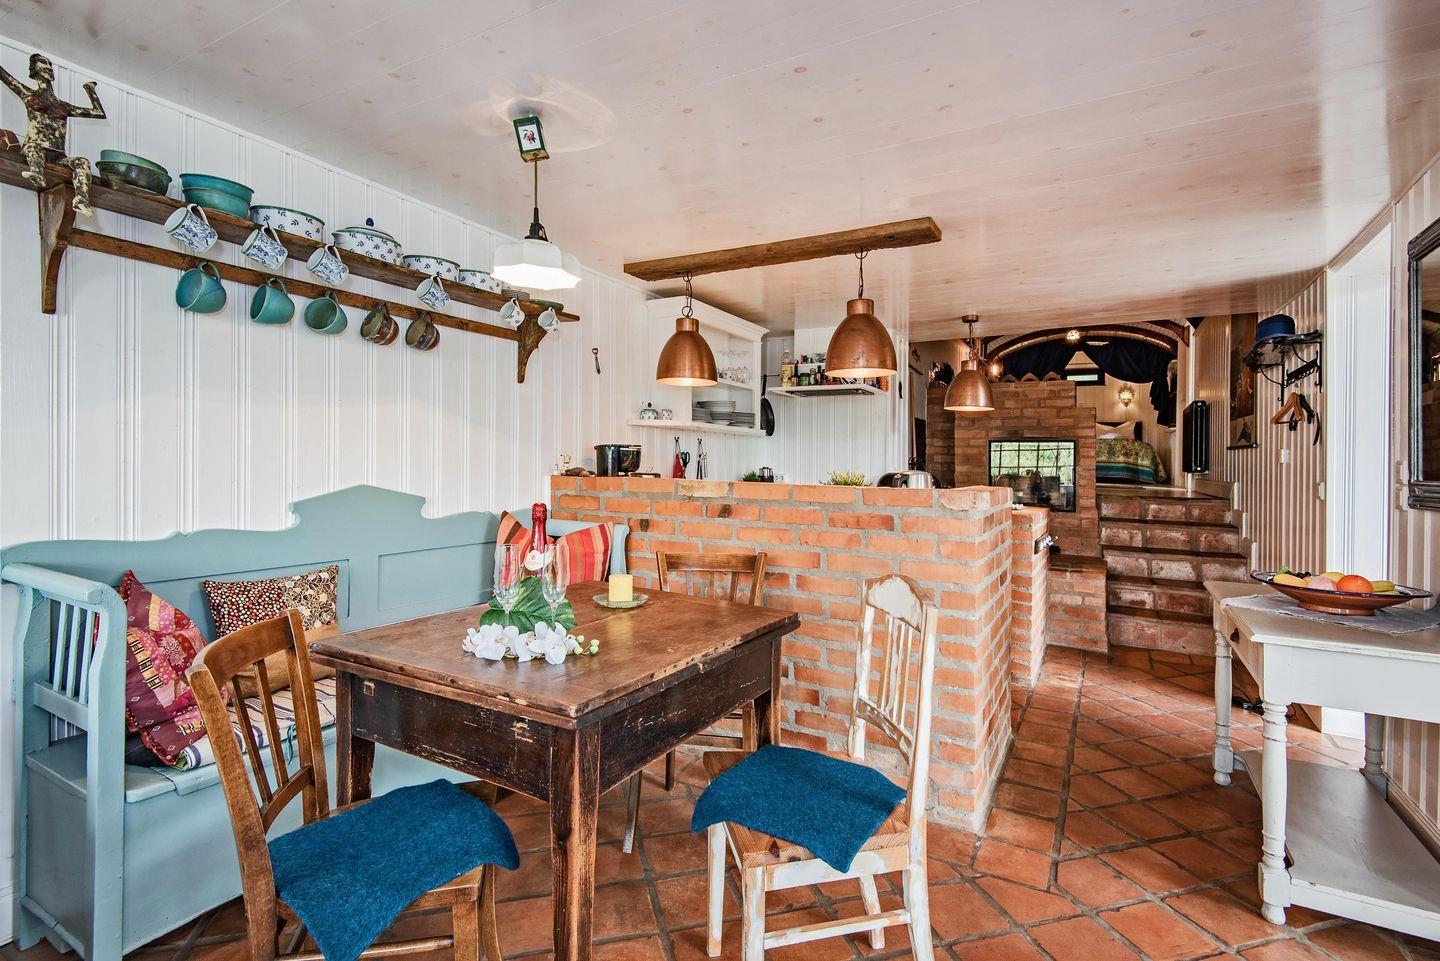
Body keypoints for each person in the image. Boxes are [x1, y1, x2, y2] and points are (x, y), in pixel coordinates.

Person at [0, 52, 107, 215]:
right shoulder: (28, 94)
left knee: (82, 162)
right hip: (35, 148)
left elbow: (98, 113)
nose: (48, 68)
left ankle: (81, 199)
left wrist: (90, 90)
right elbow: (5, 77)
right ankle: (37, 174)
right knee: (33, 148)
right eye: (43, 64)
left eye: (49, 65)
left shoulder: (63, 105)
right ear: (34, 70)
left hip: (58, 155)